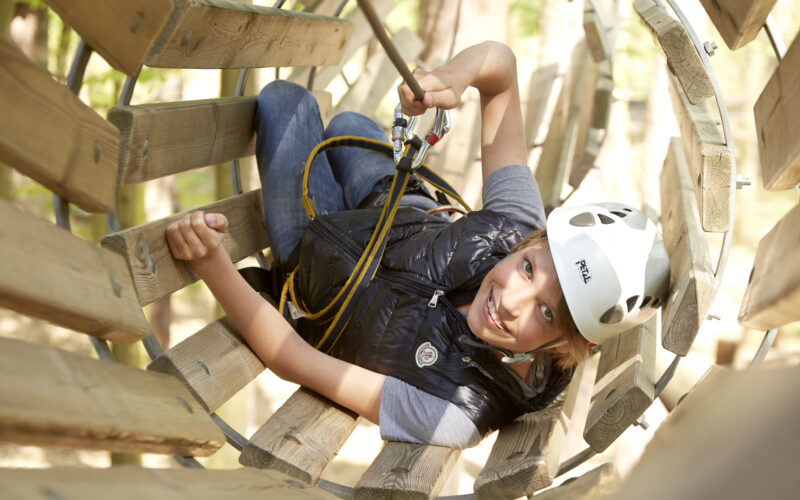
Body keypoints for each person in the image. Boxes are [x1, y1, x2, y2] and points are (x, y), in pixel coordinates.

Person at [165, 41, 670, 449]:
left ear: (567, 346)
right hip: (394, 205)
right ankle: (371, 167)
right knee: (349, 128)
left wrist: (213, 264)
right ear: (533, 240)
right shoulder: (519, 222)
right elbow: (501, 72)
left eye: (545, 314)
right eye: (529, 269)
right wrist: (454, 78)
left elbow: (293, 359)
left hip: (316, 263)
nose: (510, 302)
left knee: (285, 102)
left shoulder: (458, 409)